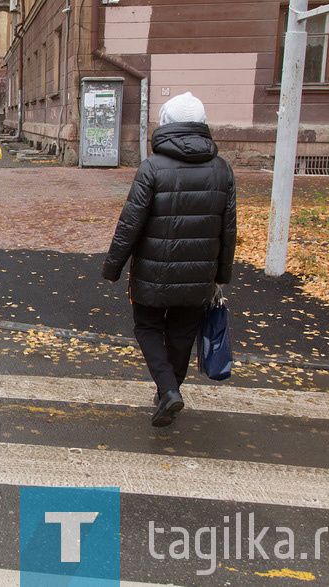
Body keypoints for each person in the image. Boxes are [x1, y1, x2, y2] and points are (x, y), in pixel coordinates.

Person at [101, 92, 236, 428]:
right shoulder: (222, 170)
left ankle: (168, 390)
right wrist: (222, 274)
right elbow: (229, 226)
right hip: (199, 273)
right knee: (182, 332)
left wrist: (113, 267)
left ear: (165, 124)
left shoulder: (152, 167)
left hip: (153, 271)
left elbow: (131, 222)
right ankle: (170, 390)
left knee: (147, 326)